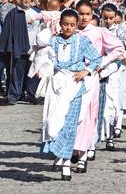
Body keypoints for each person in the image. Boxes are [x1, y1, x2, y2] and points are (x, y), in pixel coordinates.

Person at [41, 9, 102, 181]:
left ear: (76, 26)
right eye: (65, 24)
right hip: (57, 85)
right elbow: (46, 59)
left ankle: (66, 162)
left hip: (75, 86)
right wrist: (45, 69)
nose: (68, 28)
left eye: (72, 25)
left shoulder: (82, 40)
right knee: (54, 122)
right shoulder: (53, 41)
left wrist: (86, 70)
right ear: (60, 24)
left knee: (69, 123)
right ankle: (58, 154)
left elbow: (96, 58)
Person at [73, 0, 123, 166]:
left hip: (91, 77)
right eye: (81, 13)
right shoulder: (69, 30)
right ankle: (73, 147)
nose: (84, 17)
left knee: (88, 114)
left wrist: (101, 64)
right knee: (72, 114)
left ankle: (87, 148)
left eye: (87, 14)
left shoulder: (98, 32)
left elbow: (118, 49)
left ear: (92, 14)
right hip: (71, 78)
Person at [99, 3, 126, 149]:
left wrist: (124, 55)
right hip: (100, 69)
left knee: (115, 101)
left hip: (117, 70)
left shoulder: (123, 31)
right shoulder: (98, 30)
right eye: (105, 18)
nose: (108, 21)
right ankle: (101, 132)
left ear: (116, 16)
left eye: (111, 18)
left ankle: (113, 131)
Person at [0, 0, 34, 104]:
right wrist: (9, 48)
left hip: (35, 48)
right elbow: (7, 32)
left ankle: (30, 95)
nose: (26, 0)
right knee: (17, 73)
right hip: (20, 48)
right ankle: (14, 95)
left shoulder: (37, 13)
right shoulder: (12, 14)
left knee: (32, 73)